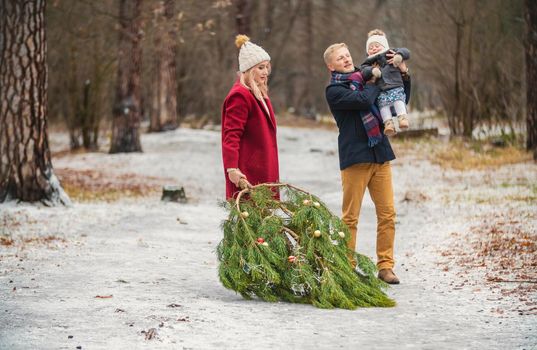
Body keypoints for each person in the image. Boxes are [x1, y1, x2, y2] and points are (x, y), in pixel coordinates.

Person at [323, 42, 411, 284]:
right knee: (350, 217)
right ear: (331, 65)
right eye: (340, 58)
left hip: (380, 154)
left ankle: (385, 266)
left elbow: (399, 97)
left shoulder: (366, 77)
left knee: (388, 215)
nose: (346, 59)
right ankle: (348, 266)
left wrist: (401, 73)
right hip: (355, 159)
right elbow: (362, 100)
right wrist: (374, 79)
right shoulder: (334, 90)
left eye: (347, 55)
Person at [221, 35, 279, 199]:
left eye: (267, 67)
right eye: (261, 68)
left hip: (264, 168)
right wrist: (232, 169)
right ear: (249, 69)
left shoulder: (257, 94)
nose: (266, 72)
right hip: (249, 174)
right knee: (250, 221)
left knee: (265, 221)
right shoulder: (240, 95)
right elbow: (231, 135)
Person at [360, 29, 411, 136]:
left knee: (398, 100)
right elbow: (364, 70)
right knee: (383, 107)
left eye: (376, 45)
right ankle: (388, 124)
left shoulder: (391, 53)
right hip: (381, 90)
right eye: (370, 47)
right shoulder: (368, 62)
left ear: (384, 45)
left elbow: (406, 51)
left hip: (395, 85)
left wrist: (399, 56)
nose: (373, 48)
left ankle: (402, 118)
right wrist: (372, 71)